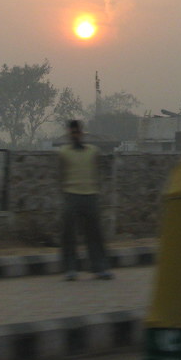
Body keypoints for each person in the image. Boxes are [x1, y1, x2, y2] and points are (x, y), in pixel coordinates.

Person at [58, 119, 113, 280]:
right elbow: (61, 174)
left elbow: (97, 171)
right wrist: (64, 193)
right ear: (69, 134)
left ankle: (100, 267)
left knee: (94, 233)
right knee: (68, 233)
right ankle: (70, 269)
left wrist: (96, 190)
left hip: (90, 195)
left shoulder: (93, 151)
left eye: (77, 132)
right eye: (72, 132)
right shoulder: (63, 152)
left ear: (81, 133)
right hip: (71, 195)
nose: (75, 135)